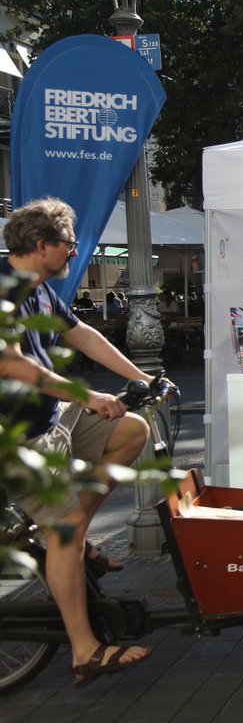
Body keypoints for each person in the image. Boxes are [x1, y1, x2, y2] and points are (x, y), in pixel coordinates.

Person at [0, 198, 155, 687]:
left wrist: (142, 377)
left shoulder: (41, 289)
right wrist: (86, 394)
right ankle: (86, 651)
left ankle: (77, 536)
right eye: (68, 245)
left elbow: (83, 334)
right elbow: (11, 365)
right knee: (64, 529)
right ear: (42, 245)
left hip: (47, 421)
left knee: (131, 429)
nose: (73, 253)